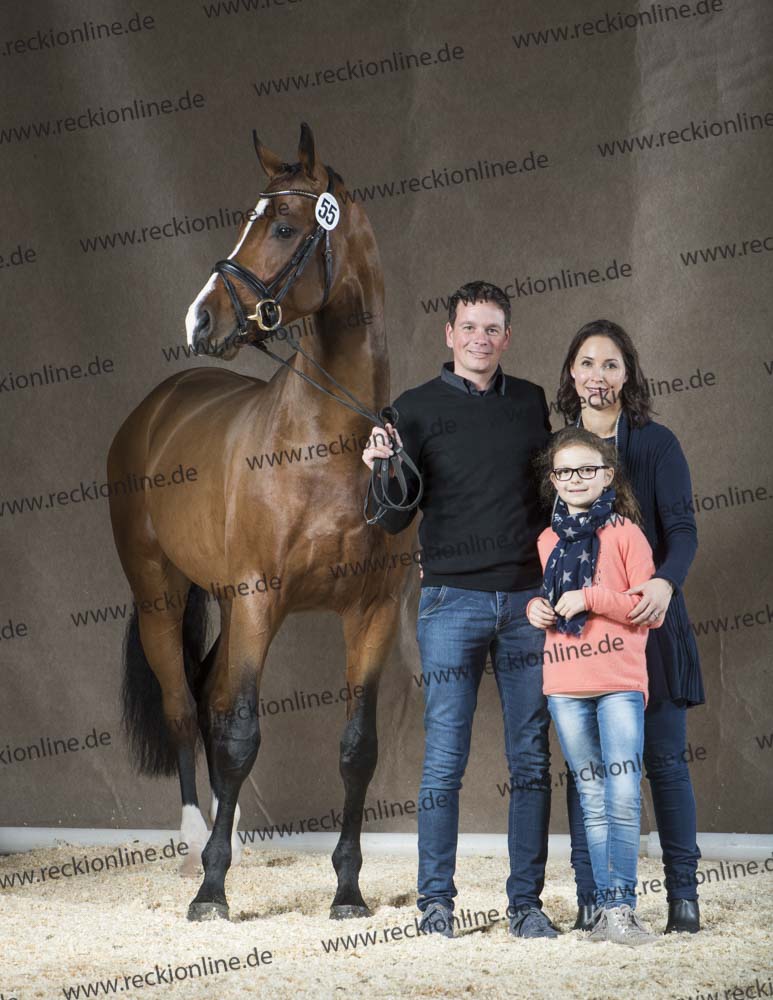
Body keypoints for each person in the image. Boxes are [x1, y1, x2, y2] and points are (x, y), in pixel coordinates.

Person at [361, 280, 558, 939]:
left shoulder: (530, 401)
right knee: (444, 758)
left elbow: (551, 496)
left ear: (507, 337)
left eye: (492, 328)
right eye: (469, 327)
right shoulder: (412, 410)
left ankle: (526, 905)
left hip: (528, 602)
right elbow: (392, 519)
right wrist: (379, 468)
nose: (480, 338)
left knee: (531, 757)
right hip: (450, 604)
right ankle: (435, 906)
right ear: (449, 334)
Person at [556, 319, 705, 934]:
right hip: (581, 638)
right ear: (572, 375)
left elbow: (684, 531)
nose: (599, 375)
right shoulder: (557, 452)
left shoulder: (656, 443)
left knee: (665, 761)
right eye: (587, 363)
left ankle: (683, 897)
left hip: (651, 623)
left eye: (611, 364)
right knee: (587, 774)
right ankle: (593, 897)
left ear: (628, 375)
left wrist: (664, 583)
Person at [527, 426, 661, 945]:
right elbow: (547, 599)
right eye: (564, 471)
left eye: (587, 469)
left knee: (623, 793)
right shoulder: (548, 540)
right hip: (565, 682)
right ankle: (606, 911)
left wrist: (591, 598)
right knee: (592, 797)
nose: (575, 478)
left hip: (619, 681)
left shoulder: (627, 534)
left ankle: (623, 908)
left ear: (607, 476)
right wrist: (535, 608)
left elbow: (647, 610)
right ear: (553, 480)